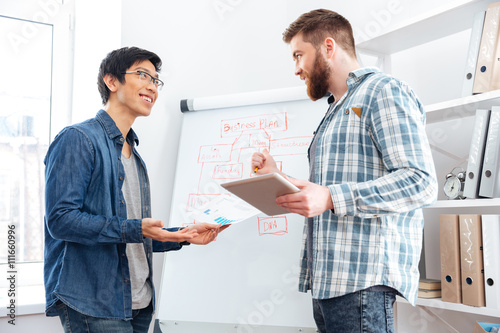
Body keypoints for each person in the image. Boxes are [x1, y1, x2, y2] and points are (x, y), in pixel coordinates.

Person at [251, 9, 437, 333]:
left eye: (299, 56)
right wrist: (277, 179)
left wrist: (331, 196)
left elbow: (420, 182)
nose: (296, 69)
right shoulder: (334, 111)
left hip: (361, 283)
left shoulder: (383, 91)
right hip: (327, 284)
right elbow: (325, 196)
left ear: (328, 47)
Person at [44, 46, 228, 333]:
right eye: (142, 75)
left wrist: (182, 235)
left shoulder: (134, 152)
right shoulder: (78, 139)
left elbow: (133, 234)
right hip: (96, 304)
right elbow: (61, 221)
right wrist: (136, 228)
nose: (152, 87)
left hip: (140, 302)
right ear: (112, 81)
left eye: (156, 80)